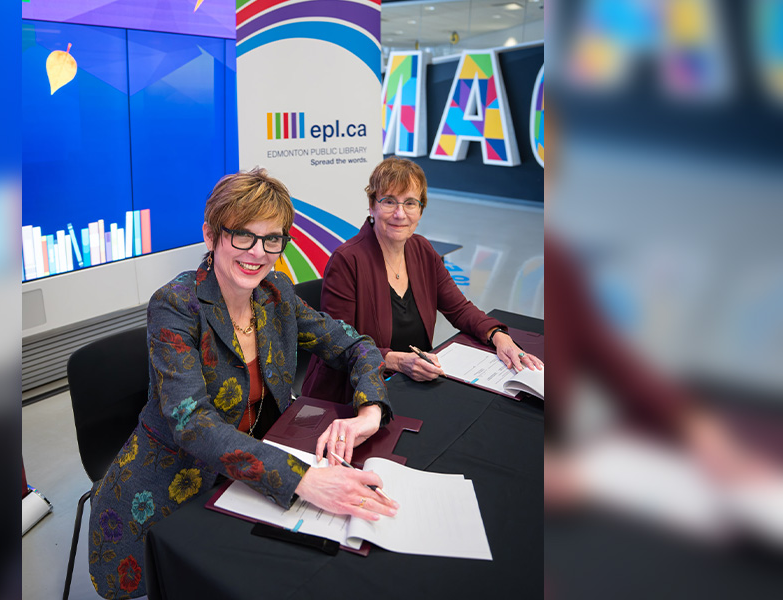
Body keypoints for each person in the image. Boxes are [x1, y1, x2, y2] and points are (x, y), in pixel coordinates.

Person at [87, 168, 399, 600]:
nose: (258, 252)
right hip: (175, 485)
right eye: (243, 236)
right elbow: (192, 423)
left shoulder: (275, 293)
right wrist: (303, 480)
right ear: (211, 235)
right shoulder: (176, 306)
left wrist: (369, 413)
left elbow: (356, 346)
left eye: (272, 239)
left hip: (249, 471)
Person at [302, 156, 543, 403]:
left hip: (412, 385)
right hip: (354, 394)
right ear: (372, 206)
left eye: (410, 203)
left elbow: (459, 309)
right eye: (388, 201)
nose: (399, 213)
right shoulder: (347, 260)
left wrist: (499, 336)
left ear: (420, 209)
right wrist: (396, 361)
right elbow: (340, 346)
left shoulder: (422, 250)